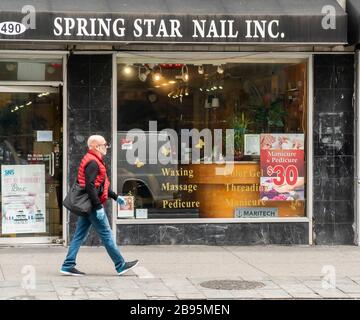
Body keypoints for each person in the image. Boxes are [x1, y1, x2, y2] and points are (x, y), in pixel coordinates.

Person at [60, 135, 139, 276]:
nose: (106, 146)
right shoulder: (93, 163)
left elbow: (99, 185)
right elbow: (90, 187)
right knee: (107, 234)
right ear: (97, 146)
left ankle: (68, 265)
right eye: (104, 144)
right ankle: (120, 265)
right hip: (91, 206)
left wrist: (116, 197)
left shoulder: (94, 160)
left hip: (89, 205)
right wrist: (98, 207)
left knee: (79, 235)